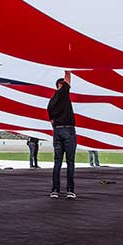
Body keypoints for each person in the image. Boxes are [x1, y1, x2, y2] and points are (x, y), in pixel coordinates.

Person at [47, 71, 77, 199]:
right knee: (70, 161)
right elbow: (68, 78)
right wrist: (68, 69)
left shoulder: (51, 101)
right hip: (68, 130)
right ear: (61, 84)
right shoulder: (63, 92)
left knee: (57, 162)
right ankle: (70, 190)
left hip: (57, 131)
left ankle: (55, 190)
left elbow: (51, 120)